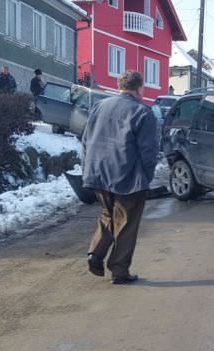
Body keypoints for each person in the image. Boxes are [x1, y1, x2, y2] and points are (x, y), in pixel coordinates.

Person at [82, 70, 159, 285]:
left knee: (108, 214)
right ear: (139, 88)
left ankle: (95, 254)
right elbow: (149, 151)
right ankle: (119, 270)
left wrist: (87, 166)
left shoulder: (99, 106)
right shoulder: (143, 113)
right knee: (126, 223)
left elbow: (86, 139)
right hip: (128, 176)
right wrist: (147, 177)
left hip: (97, 170)